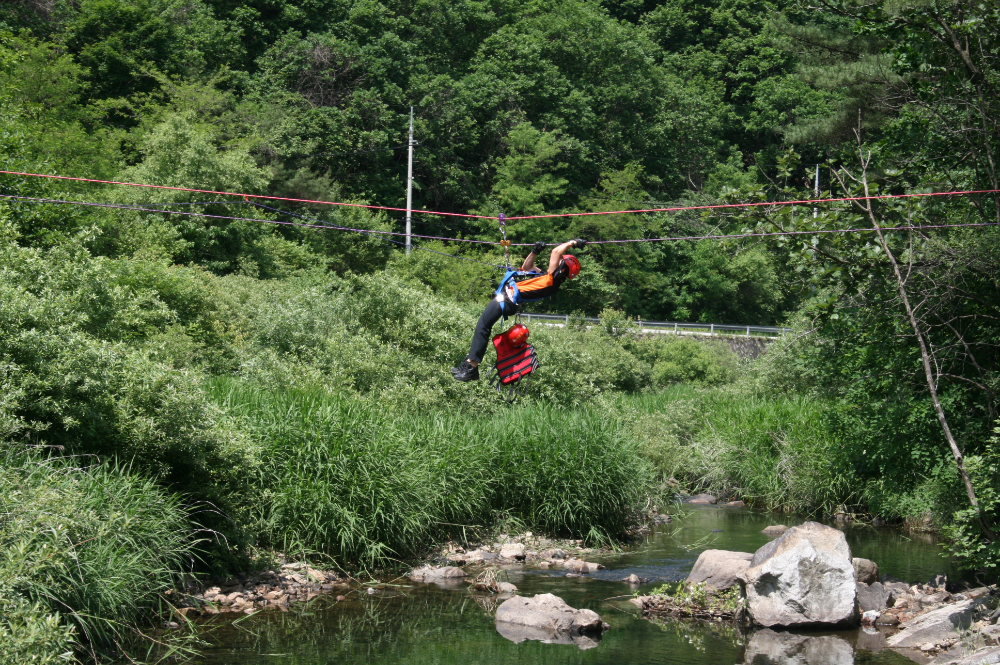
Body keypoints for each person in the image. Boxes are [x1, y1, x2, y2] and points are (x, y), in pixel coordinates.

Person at [452, 238, 586, 382]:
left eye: (561, 261)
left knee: (483, 327)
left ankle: (472, 367)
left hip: (506, 300)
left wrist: (572, 243)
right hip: (506, 298)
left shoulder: (552, 279)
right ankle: (468, 364)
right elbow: (527, 267)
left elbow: (555, 251)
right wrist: (535, 252)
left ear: (563, 268)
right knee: (483, 326)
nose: (557, 260)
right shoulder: (547, 278)